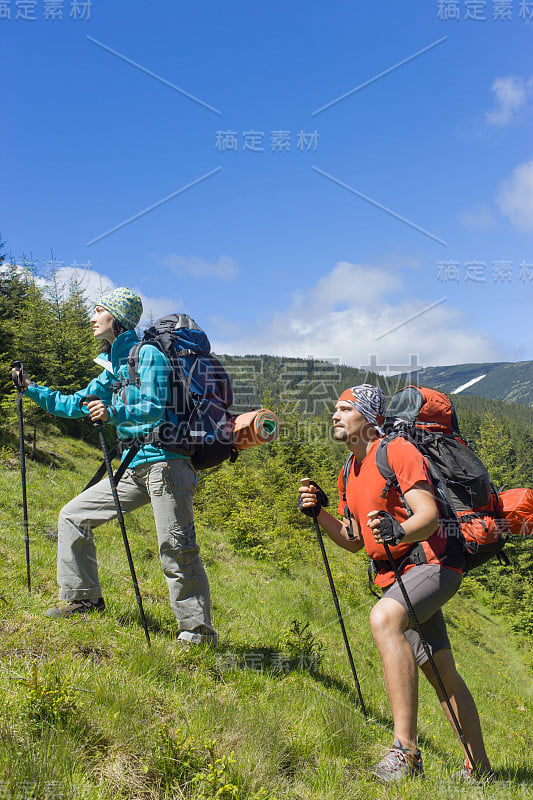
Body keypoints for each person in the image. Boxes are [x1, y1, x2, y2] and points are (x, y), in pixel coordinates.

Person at [298, 384, 494, 783]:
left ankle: (405, 751)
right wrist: (320, 513)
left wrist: (398, 529)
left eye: (344, 409)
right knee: (440, 671)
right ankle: (482, 771)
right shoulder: (346, 472)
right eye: (335, 410)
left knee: (385, 619)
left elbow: (428, 516)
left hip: (433, 562)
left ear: (368, 419)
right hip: (398, 575)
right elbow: (354, 541)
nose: (334, 415)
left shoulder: (395, 451)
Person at [12, 287, 216, 646]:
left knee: (176, 546)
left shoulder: (148, 354)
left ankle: (197, 634)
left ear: (116, 318)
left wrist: (114, 411)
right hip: (133, 466)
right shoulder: (114, 367)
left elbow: (155, 405)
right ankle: (84, 598)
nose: (91, 317)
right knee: (73, 516)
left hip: (166, 464)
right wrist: (30, 388)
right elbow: (76, 404)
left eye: (98, 309)